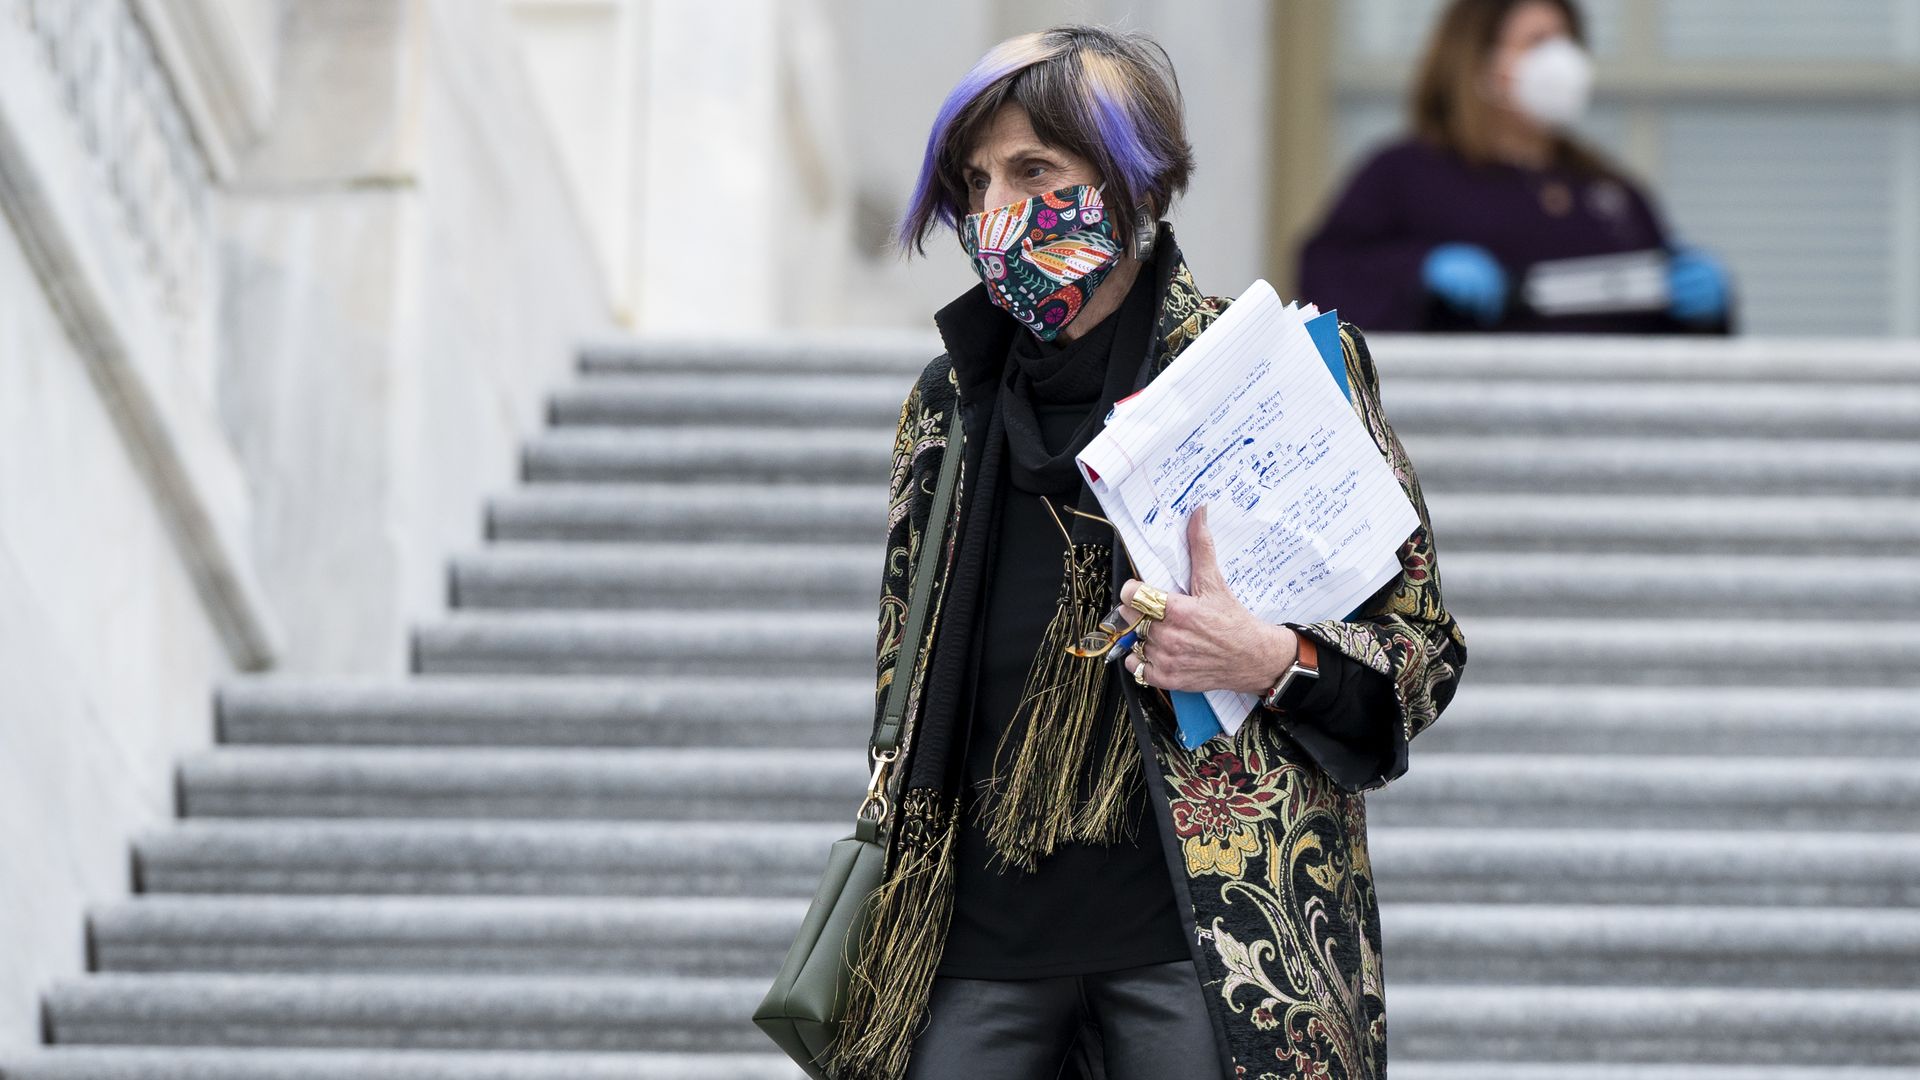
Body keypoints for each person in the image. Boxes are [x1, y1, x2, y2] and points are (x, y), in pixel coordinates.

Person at [822, 25, 1468, 1080]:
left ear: (1129, 183)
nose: (997, 212)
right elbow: (904, 671)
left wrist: (1268, 659)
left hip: (1214, 948)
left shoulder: (1271, 371)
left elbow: (1422, 653)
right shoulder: (950, 407)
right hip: (969, 949)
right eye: (976, 180)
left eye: (1035, 170)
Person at [1298, 0, 1736, 333]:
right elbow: (1323, 281)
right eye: (1537, 42)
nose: (1562, 60)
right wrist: (1417, 272)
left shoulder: (1608, 190)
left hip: (1608, 431)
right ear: (1480, 65)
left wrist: (1707, 312)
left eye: (1566, 40)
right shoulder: (1405, 175)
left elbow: (1663, 335)